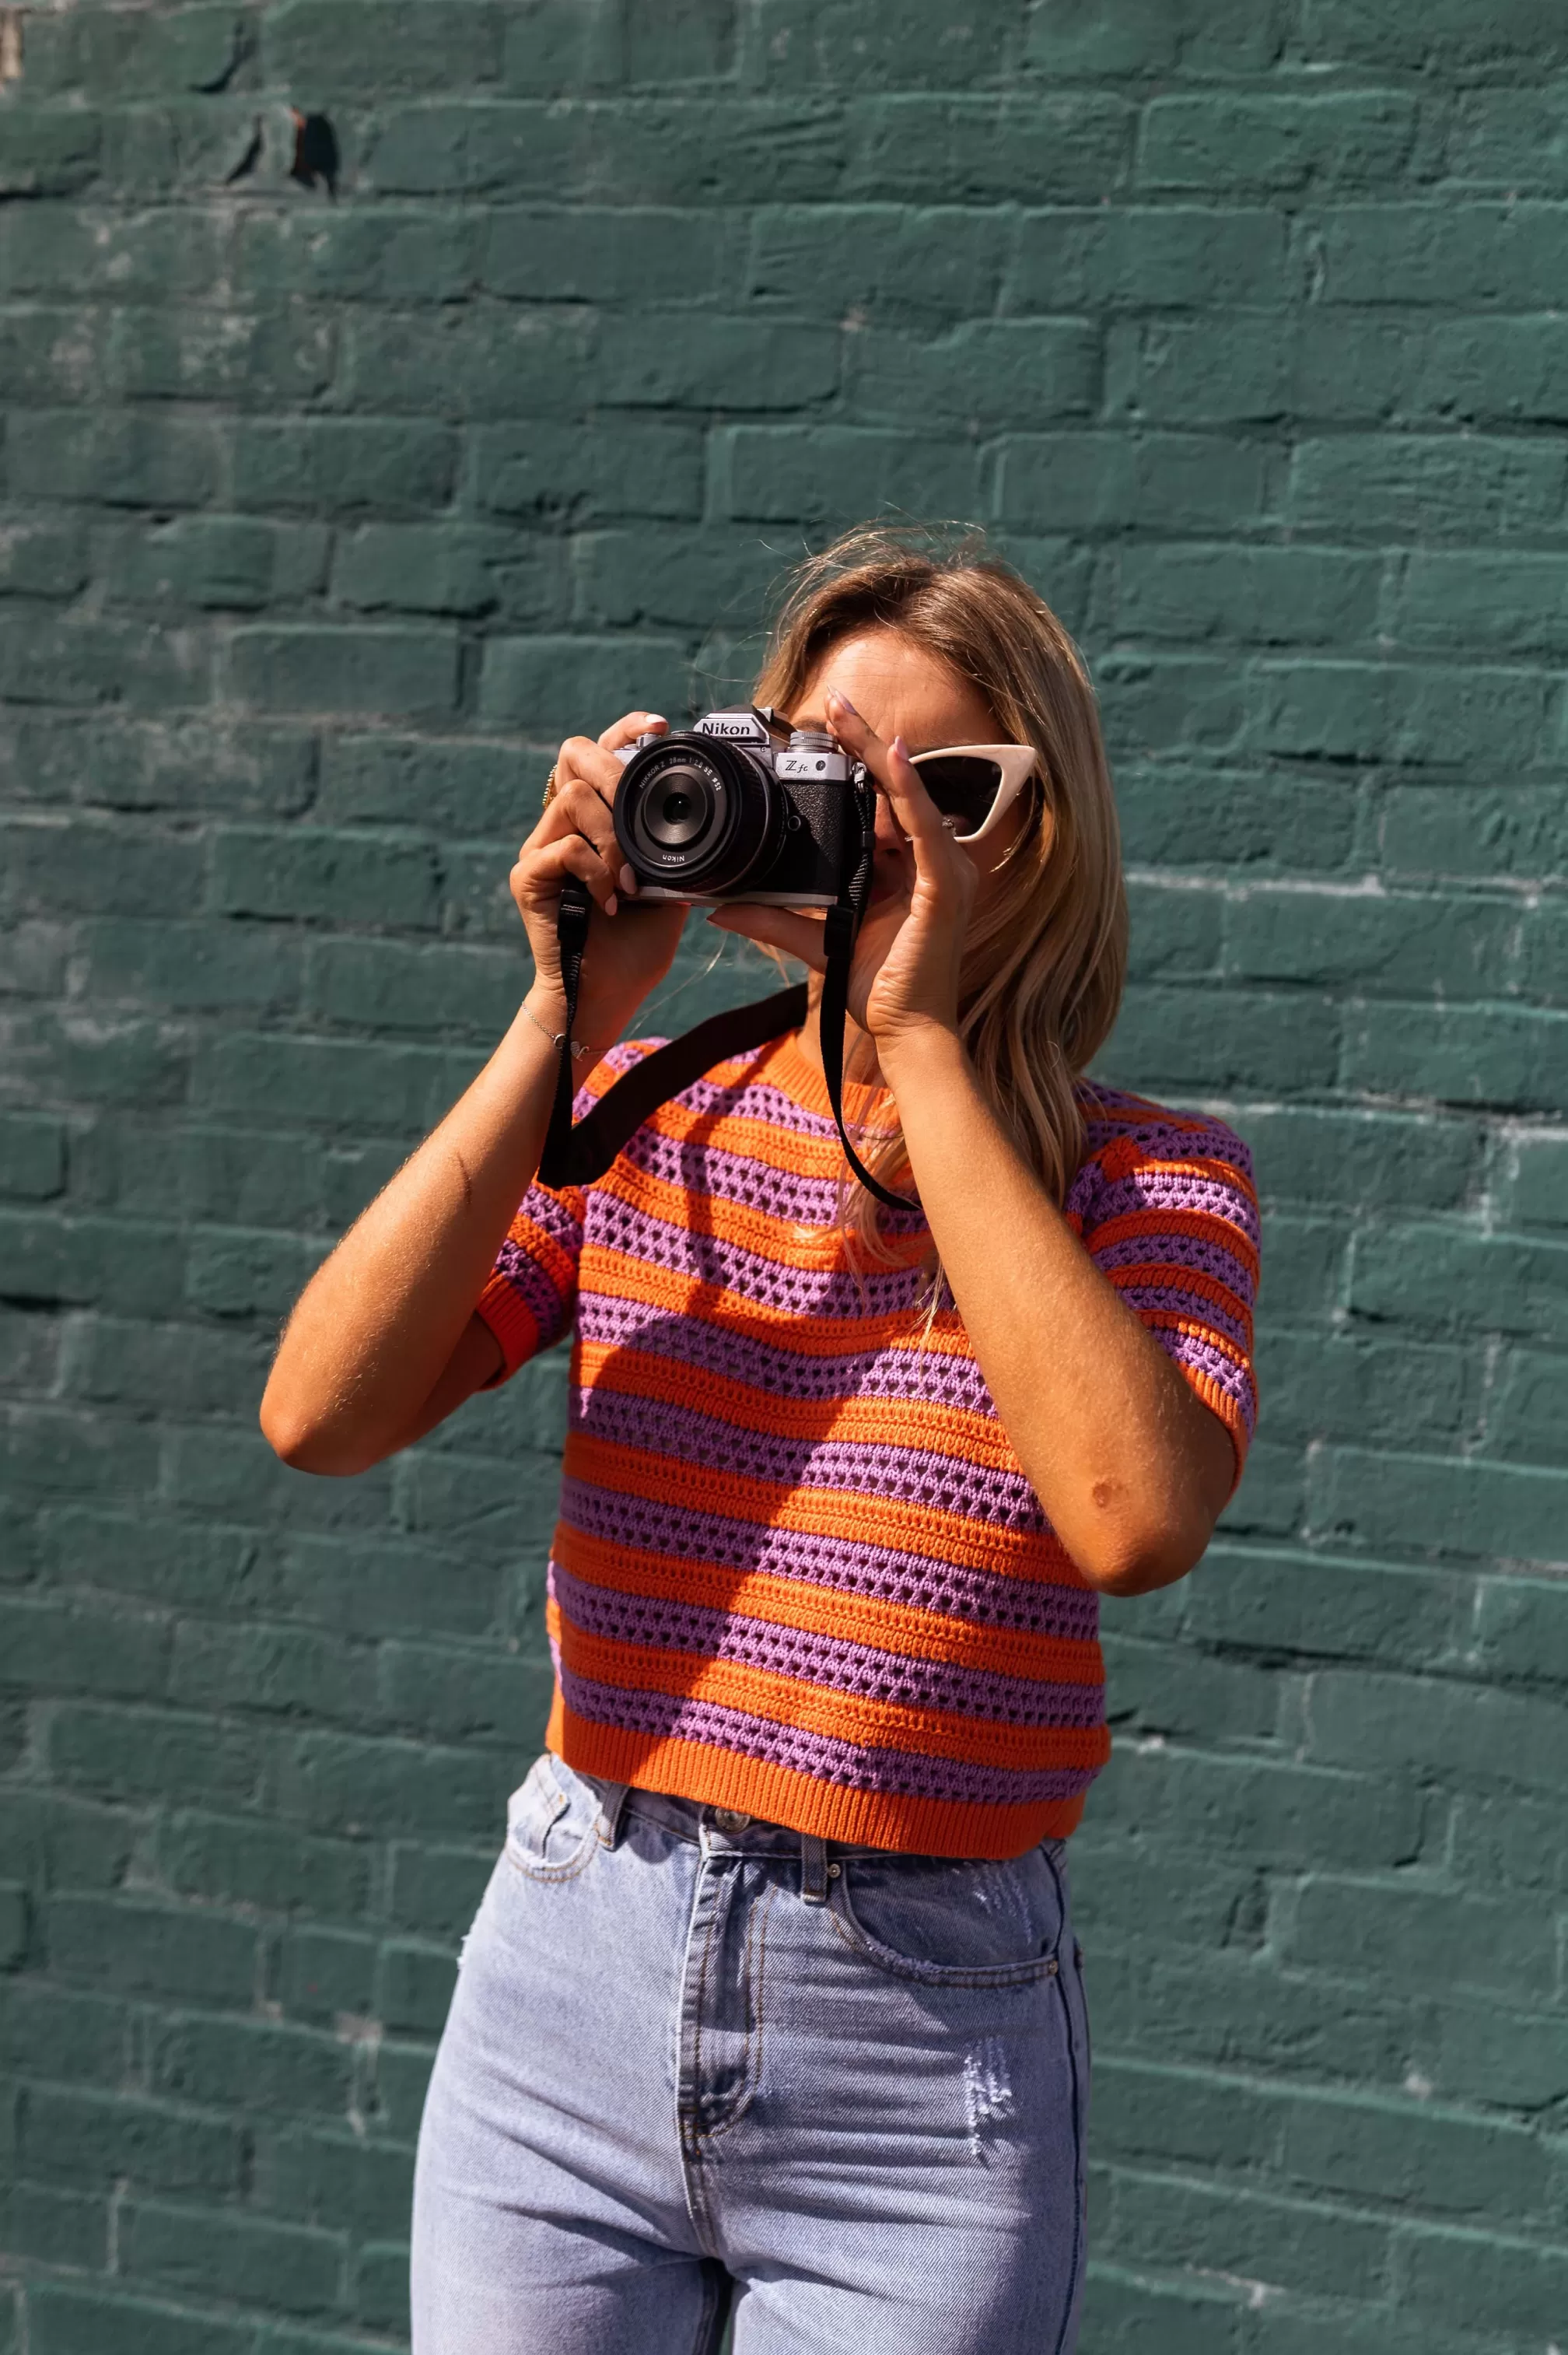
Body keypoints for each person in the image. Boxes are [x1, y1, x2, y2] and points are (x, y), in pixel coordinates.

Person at [261, 525, 1260, 2355]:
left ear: (1025, 834)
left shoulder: (1149, 1179)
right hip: (574, 1962)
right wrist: (567, 1016)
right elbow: (320, 1411)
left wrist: (924, 1040)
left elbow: (1135, 1515)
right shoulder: (655, 1123)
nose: (868, 835)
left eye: (926, 793)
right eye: (817, 773)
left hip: (921, 2042)